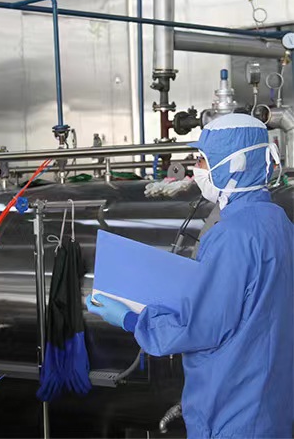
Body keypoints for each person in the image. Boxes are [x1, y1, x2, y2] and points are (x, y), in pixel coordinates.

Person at [87, 113, 294, 438]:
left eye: (203, 160)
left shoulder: (231, 236)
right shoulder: (278, 221)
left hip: (232, 411)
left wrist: (131, 318)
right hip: (270, 406)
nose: (197, 169)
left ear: (234, 164)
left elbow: (201, 326)